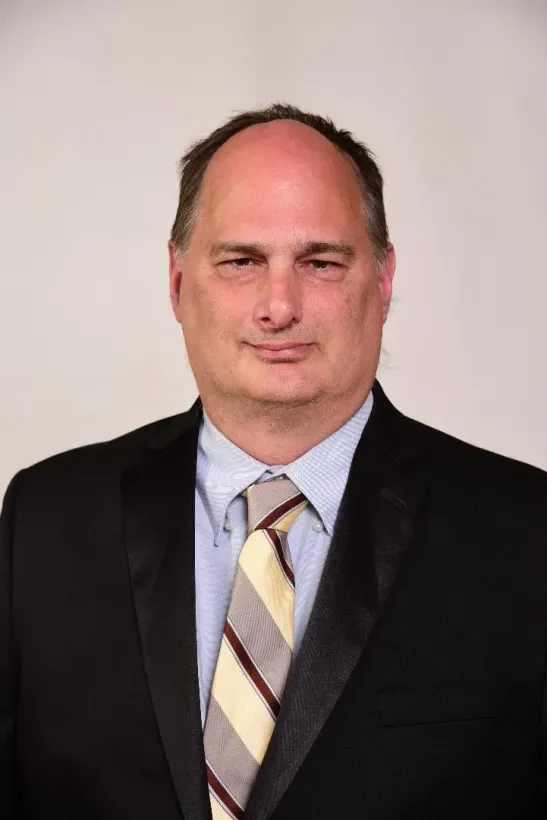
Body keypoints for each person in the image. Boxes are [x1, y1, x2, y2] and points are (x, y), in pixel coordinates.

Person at [1, 103, 547, 820]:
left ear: (381, 279)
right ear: (176, 280)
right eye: (240, 261)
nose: (278, 305)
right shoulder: (47, 517)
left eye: (320, 263)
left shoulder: (522, 532)